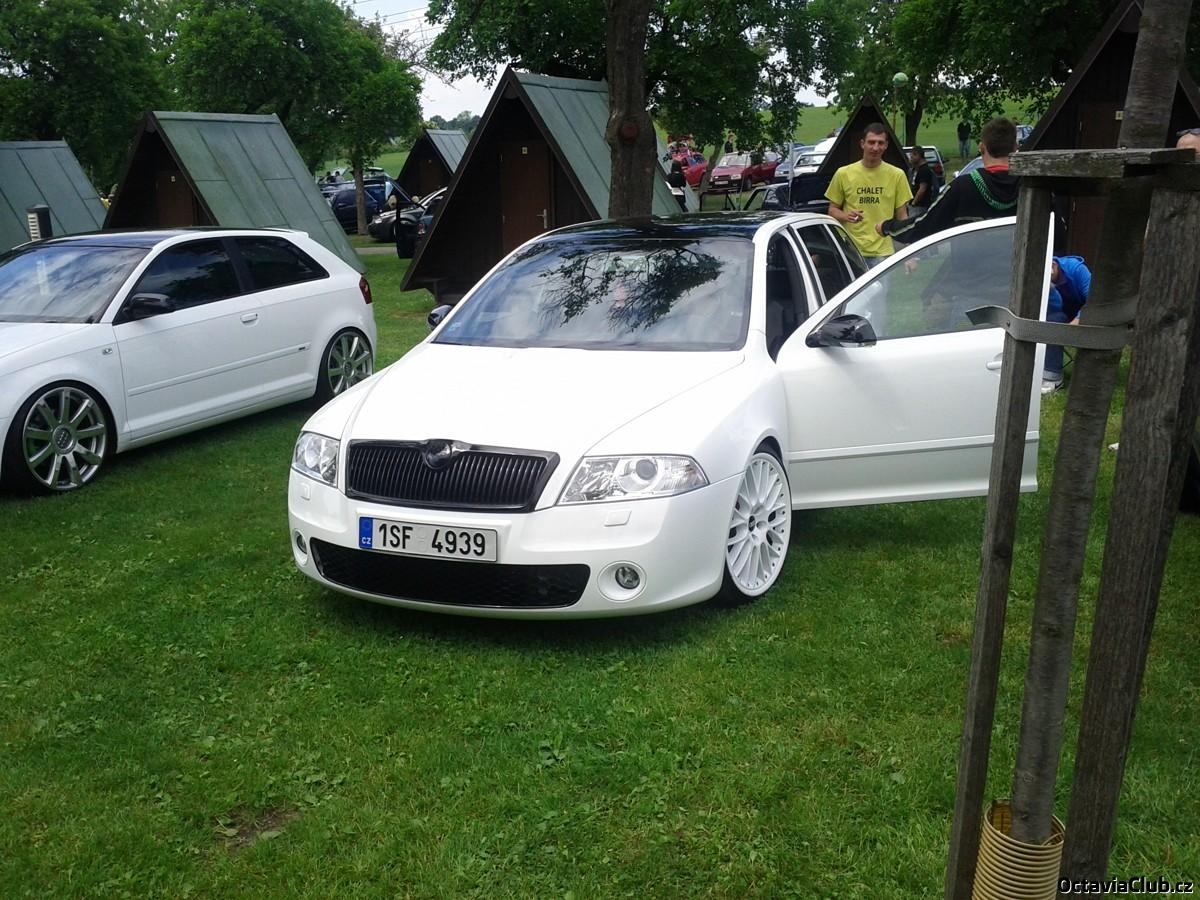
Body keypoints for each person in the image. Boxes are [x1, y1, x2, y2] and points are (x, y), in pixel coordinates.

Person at [881, 117, 1019, 245]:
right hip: (1018, 262)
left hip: (969, 263)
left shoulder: (961, 187)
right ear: (1015, 147)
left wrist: (887, 227)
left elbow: (923, 226)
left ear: (982, 147)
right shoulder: (1026, 186)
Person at [824, 123, 912, 267]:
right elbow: (832, 210)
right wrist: (846, 216)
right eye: (871, 142)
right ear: (862, 144)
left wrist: (909, 253)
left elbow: (902, 217)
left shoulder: (897, 175)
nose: (875, 148)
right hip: (852, 250)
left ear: (886, 145)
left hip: (882, 252)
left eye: (880, 143)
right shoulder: (843, 173)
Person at [1041, 256, 1091, 393]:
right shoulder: (1044, 281)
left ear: (1053, 266)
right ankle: (1040, 371)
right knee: (1053, 320)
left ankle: (1053, 379)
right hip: (1060, 313)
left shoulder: (1077, 269)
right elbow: (1053, 309)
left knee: (1054, 322)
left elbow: (1093, 300)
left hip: (1087, 313)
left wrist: (1078, 319)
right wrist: (1050, 290)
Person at [907, 147, 937, 216]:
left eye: (912, 156)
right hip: (913, 205)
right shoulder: (915, 169)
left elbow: (922, 188)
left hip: (920, 206)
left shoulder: (924, 170)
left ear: (918, 155)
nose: (910, 159)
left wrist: (914, 203)